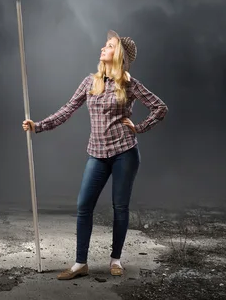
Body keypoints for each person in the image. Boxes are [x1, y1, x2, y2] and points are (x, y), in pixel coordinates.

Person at [22, 30, 168, 279]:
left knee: (120, 207)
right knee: (83, 206)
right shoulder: (90, 82)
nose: (103, 48)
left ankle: (116, 260)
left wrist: (139, 127)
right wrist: (38, 126)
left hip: (125, 152)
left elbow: (160, 107)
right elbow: (67, 109)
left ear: (119, 55)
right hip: (97, 153)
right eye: (104, 44)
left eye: (109, 45)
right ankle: (80, 263)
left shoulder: (129, 84)